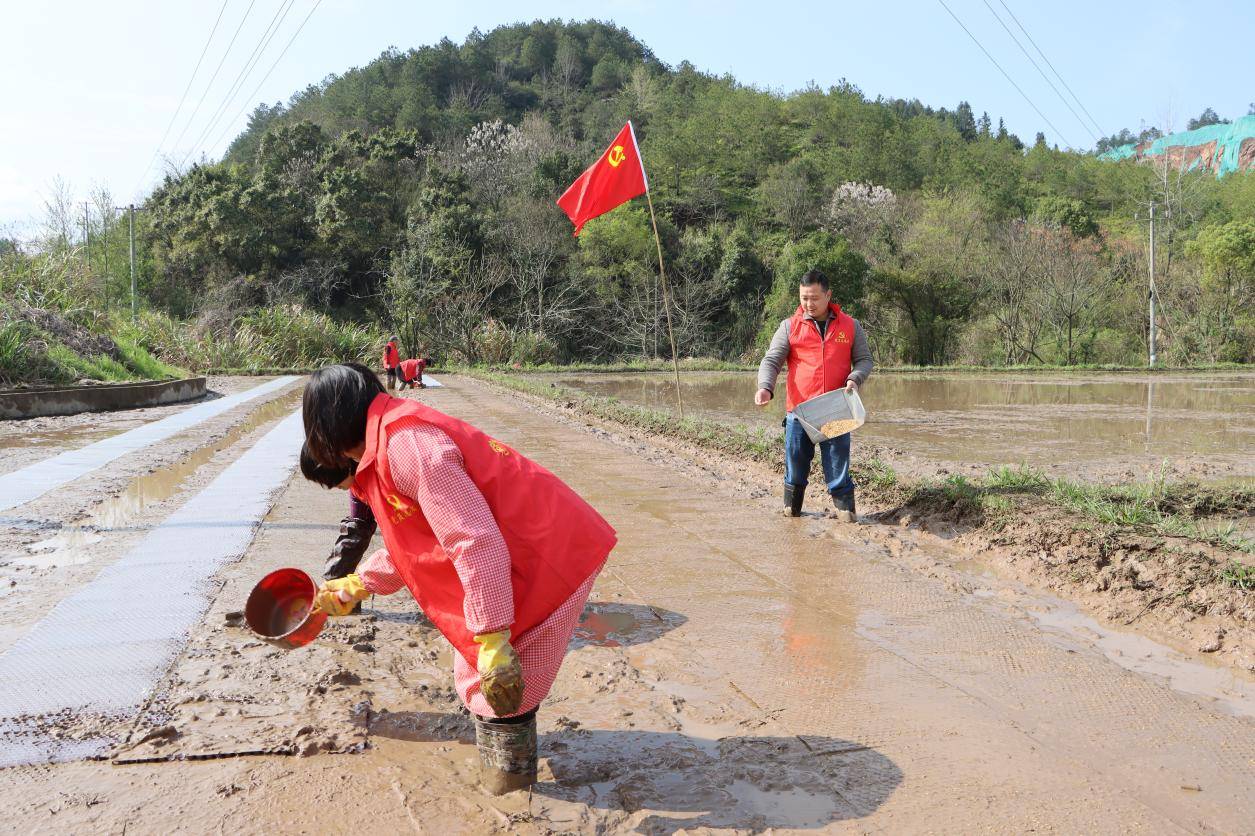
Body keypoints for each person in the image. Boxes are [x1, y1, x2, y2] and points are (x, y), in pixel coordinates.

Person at [300, 362, 616, 792]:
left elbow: (473, 540)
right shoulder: (386, 448)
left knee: (506, 686)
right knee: (480, 674)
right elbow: (418, 547)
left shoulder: (408, 447)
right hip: (517, 548)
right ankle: (506, 779)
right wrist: (357, 584)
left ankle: (509, 789)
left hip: (550, 550)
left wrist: (492, 637)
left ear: (326, 427)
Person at [755, 268, 873, 521]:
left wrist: (855, 378)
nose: (808, 304)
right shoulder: (789, 327)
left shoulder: (851, 326)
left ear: (828, 295)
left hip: (836, 409)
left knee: (838, 466)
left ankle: (846, 514)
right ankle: (792, 511)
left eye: (814, 298)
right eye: (804, 298)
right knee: (796, 467)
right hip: (801, 411)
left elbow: (864, 360)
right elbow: (772, 360)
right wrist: (765, 387)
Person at [299, 444, 377, 615]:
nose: (331, 487)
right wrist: (331, 583)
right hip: (361, 485)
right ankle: (337, 591)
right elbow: (357, 529)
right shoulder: (354, 479)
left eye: (330, 482)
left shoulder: (376, 470)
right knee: (356, 528)